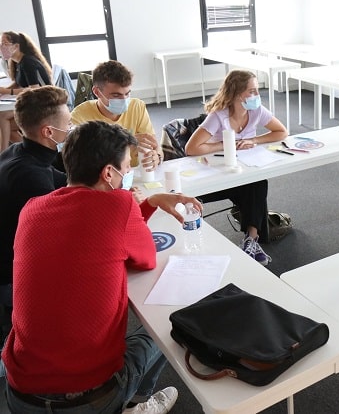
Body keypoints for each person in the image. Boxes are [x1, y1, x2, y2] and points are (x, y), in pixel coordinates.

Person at [1, 120, 202, 413]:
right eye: (126, 167)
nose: (128, 174)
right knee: (168, 319)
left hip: (19, 394)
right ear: (108, 173)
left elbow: (101, 235)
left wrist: (149, 203)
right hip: (89, 399)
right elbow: (145, 258)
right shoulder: (119, 204)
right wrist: (143, 205)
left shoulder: (32, 208)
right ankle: (137, 402)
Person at [185, 69, 288, 265]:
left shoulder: (256, 110)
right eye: (252, 91)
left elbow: (282, 132)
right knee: (253, 187)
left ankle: (251, 240)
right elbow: (191, 148)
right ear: (237, 94)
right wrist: (227, 143)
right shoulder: (218, 116)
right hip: (216, 177)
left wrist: (254, 140)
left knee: (257, 183)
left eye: (256, 90)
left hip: (241, 172)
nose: (257, 95)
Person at [0, 86, 70, 333]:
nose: (70, 130)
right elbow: (59, 239)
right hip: (12, 277)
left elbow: (65, 182)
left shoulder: (19, 151)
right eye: (68, 125)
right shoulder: (31, 177)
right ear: (48, 132)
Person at [71, 60, 162, 172]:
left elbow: (155, 146)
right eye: (116, 95)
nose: (124, 100)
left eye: (127, 93)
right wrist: (127, 143)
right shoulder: (80, 116)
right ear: (97, 92)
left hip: (135, 173)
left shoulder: (137, 106)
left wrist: (157, 156)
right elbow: (82, 161)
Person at [0, 31, 53, 151]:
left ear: (16, 46)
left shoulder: (28, 62)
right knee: (7, 127)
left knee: (2, 118)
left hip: (45, 104)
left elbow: (35, 89)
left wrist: (6, 91)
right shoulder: (18, 62)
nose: (1, 47)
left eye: (4, 44)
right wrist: (3, 91)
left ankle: (2, 154)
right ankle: (31, 152)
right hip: (34, 102)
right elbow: (18, 83)